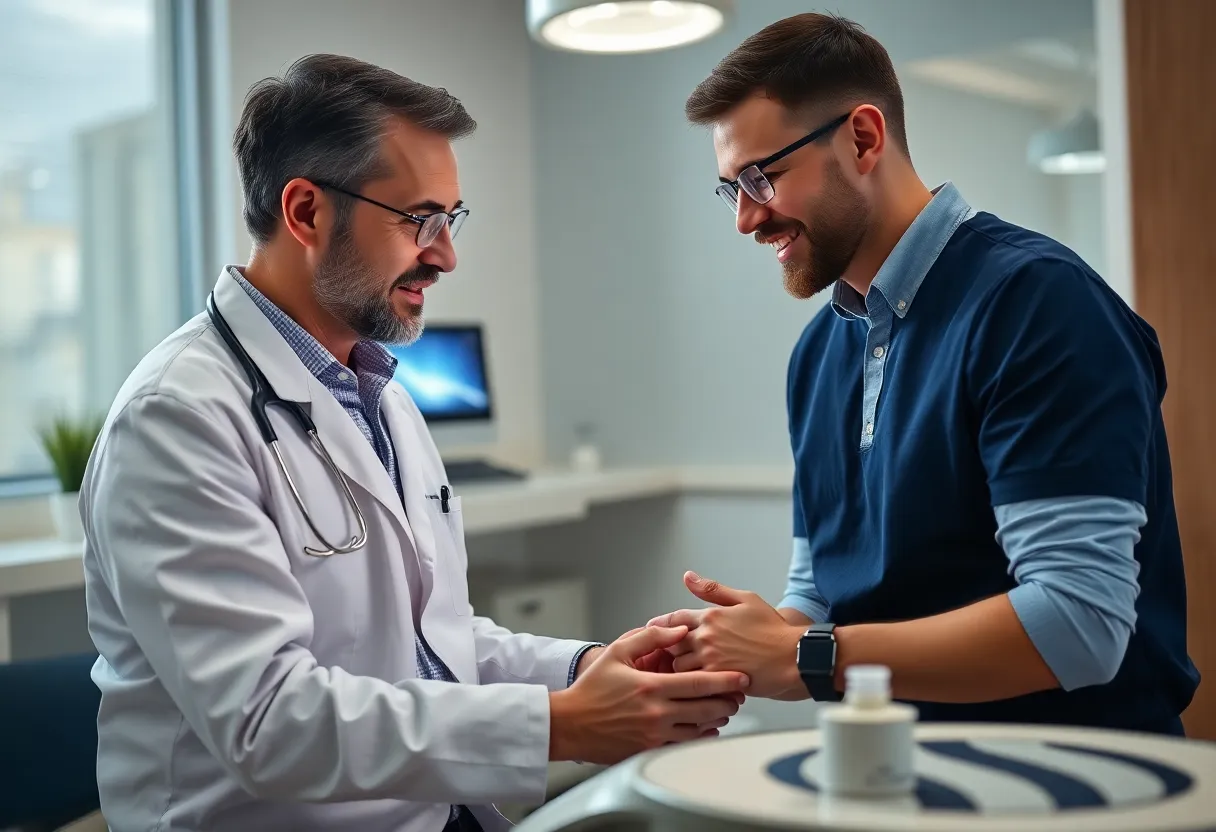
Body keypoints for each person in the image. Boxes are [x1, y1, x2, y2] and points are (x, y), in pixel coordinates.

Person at [80, 55, 748, 832]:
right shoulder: (177, 420)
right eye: (419, 219)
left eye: (452, 219)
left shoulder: (380, 395)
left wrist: (588, 668)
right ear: (306, 213)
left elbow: (436, 641)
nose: (446, 254)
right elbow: (267, 722)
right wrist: (560, 725)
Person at [650, 13, 1199, 735]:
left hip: (1077, 785)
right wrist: (731, 655)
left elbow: (1079, 624)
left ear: (863, 138)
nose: (747, 219)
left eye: (763, 177)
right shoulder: (819, 354)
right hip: (898, 768)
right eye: (731, 188)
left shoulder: (1038, 304)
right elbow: (820, 594)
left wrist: (808, 654)